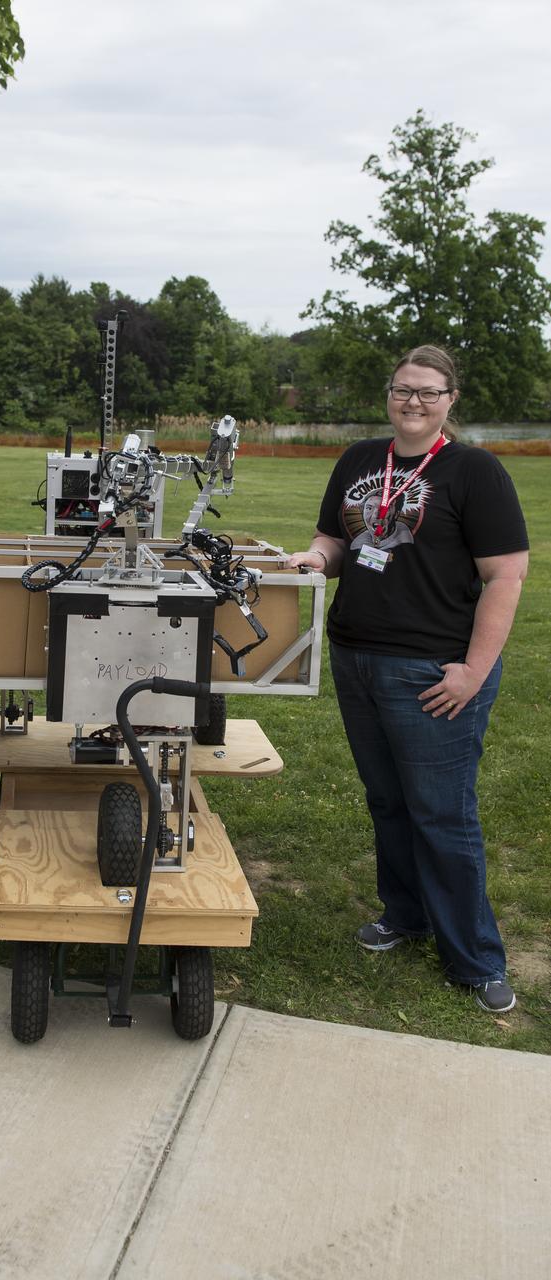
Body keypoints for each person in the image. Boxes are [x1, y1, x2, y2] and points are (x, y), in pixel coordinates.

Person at [288, 345, 529, 1014]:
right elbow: (336, 541)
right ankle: (405, 915)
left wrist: (472, 673)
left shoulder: (473, 471)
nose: (412, 401)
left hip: (430, 671)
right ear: (387, 395)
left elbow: (505, 576)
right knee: (388, 801)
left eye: (427, 392)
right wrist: (314, 557)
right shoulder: (360, 460)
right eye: (402, 390)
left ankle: (475, 959)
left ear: (450, 399)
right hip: (356, 656)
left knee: (441, 815)